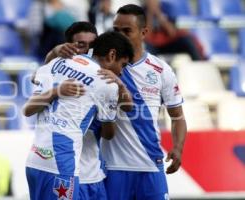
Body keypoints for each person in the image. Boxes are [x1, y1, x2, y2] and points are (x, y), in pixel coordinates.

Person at [23, 31, 134, 200]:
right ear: (112, 55)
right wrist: (117, 89)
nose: (121, 72)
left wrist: (56, 87)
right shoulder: (107, 84)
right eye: (123, 65)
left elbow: (27, 109)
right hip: (62, 164)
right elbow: (109, 133)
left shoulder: (58, 61)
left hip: (34, 161)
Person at [101, 4, 187, 200]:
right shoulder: (101, 66)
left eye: (127, 31)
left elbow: (178, 116)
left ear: (144, 32)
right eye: (116, 30)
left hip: (151, 166)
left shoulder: (160, 70)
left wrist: (178, 147)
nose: (120, 35)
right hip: (113, 168)